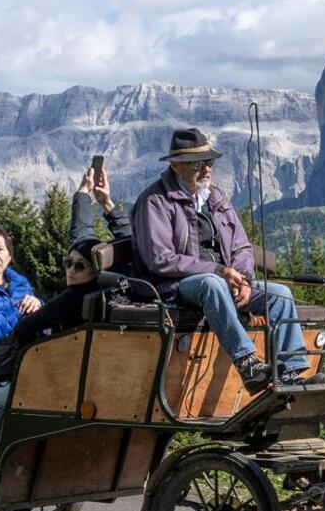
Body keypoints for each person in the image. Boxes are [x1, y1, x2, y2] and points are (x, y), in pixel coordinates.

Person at [131, 127, 307, 393]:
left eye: (209, 162)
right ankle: (248, 363)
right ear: (176, 165)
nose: (206, 169)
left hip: (225, 279)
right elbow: (160, 259)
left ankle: (291, 372)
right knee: (210, 284)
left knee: (280, 294)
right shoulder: (154, 201)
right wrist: (219, 271)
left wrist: (245, 280)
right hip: (174, 286)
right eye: (197, 164)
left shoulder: (217, 197)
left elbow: (241, 246)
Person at [0, 165, 137, 438]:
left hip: (64, 382)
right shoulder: (114, 290)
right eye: (68, 263)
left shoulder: (69, 300)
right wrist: (94, 199)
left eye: (79, 266)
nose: (70, 270)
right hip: (99, 380)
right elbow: (107, 240)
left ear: (95, 271)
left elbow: (25, 329)